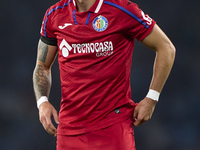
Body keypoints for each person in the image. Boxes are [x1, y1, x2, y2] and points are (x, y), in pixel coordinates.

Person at [33, 0, 175, 149]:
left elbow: (166, 48)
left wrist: (152, 98)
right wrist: (42, 101)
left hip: (112, 127)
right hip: (69, 131)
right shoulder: (54, 15)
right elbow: (42, 66)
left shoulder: (121, 9)